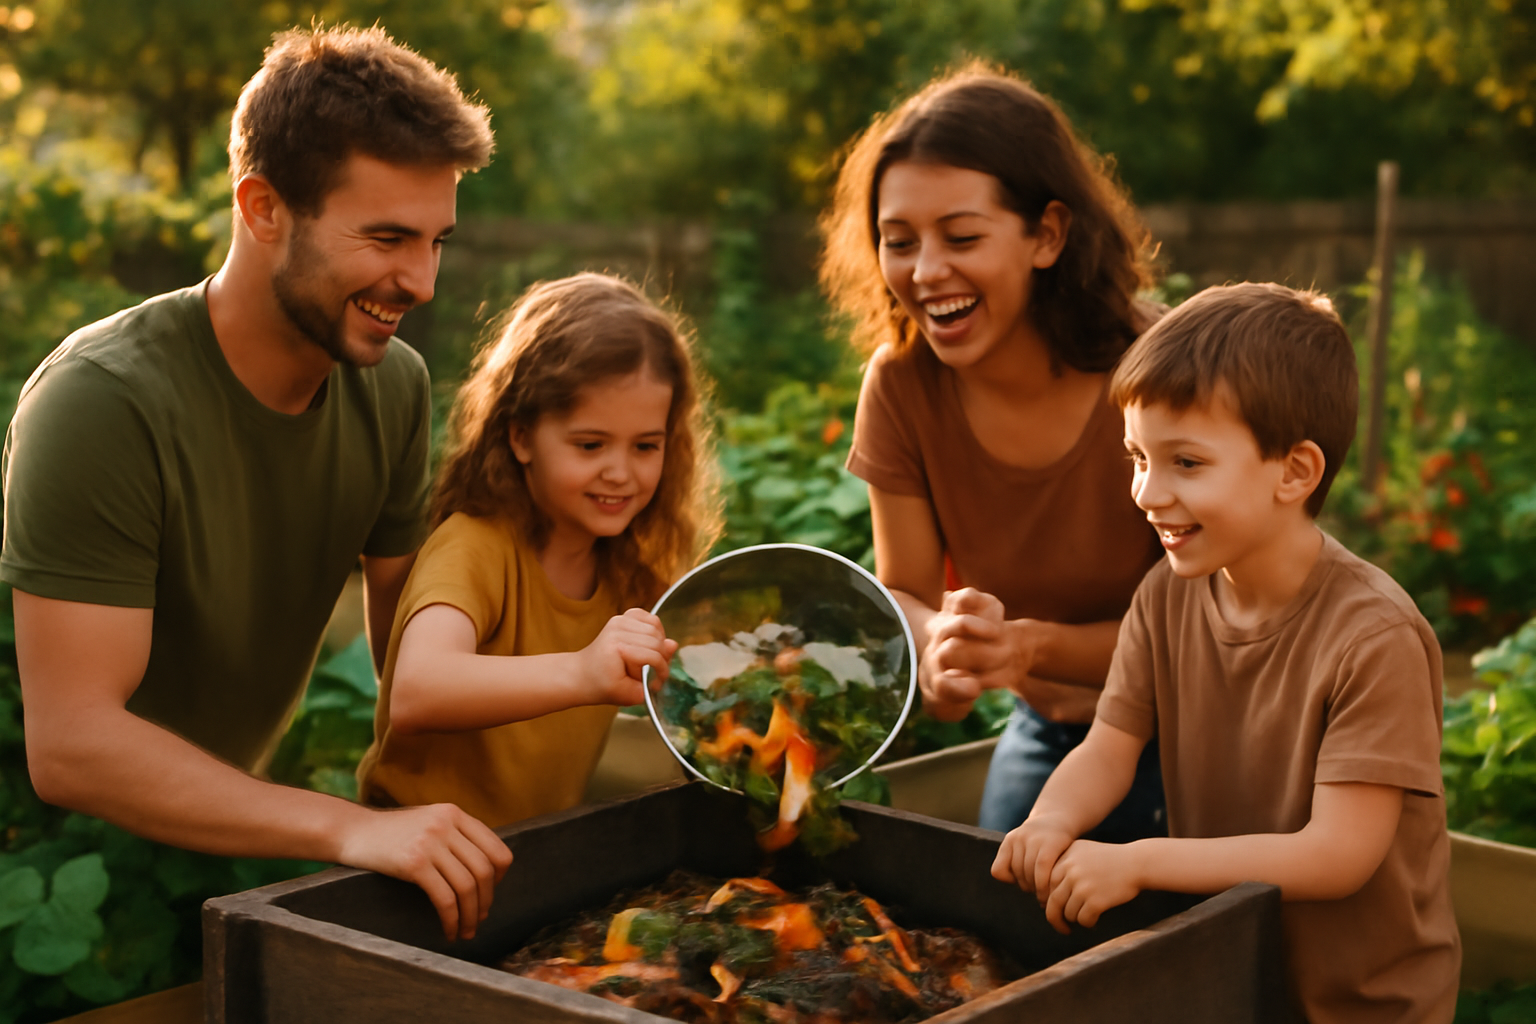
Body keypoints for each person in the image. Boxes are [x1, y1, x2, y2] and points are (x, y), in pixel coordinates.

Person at [3, 26, 514, 942]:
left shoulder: (391, 383)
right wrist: (351, 828)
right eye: (388, 237)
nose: (424, 281)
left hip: (237, 831)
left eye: (437, 240)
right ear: (263, 206)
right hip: (48, 868)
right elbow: (73, 747)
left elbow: (415, 650)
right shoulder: (101, 402)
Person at [993, 283, 1461, 1023]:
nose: (1147, 491)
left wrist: (1138, 861)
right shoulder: (1165, 596)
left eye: (1186, 463)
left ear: (1294, 473)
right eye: (1138, 457)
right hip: (1230, 974)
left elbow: (1336, 856)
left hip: (1361, 999)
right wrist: (1052, 821)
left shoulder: (1373, 638)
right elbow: (1110, 747)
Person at [820, 65, 1166, 836]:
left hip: (1203, 732)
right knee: (1005, 920)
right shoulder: (902, 385)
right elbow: (904, 592)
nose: (926, 271)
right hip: (1050, 730)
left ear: (1047, 234)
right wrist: (939, 642)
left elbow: (1213, 627)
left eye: (962, 236)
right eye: (898, 241)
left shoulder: (1163, 371)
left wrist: (1028, 646)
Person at [356, 272, 721, 828]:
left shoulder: (626, 567)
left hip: (530, 859)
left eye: (646, 446)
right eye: (590, 444)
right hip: (410, 859)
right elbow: (416, 690)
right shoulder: (476, 546)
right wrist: (582, 672)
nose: (620, 472)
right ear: (521, 435)